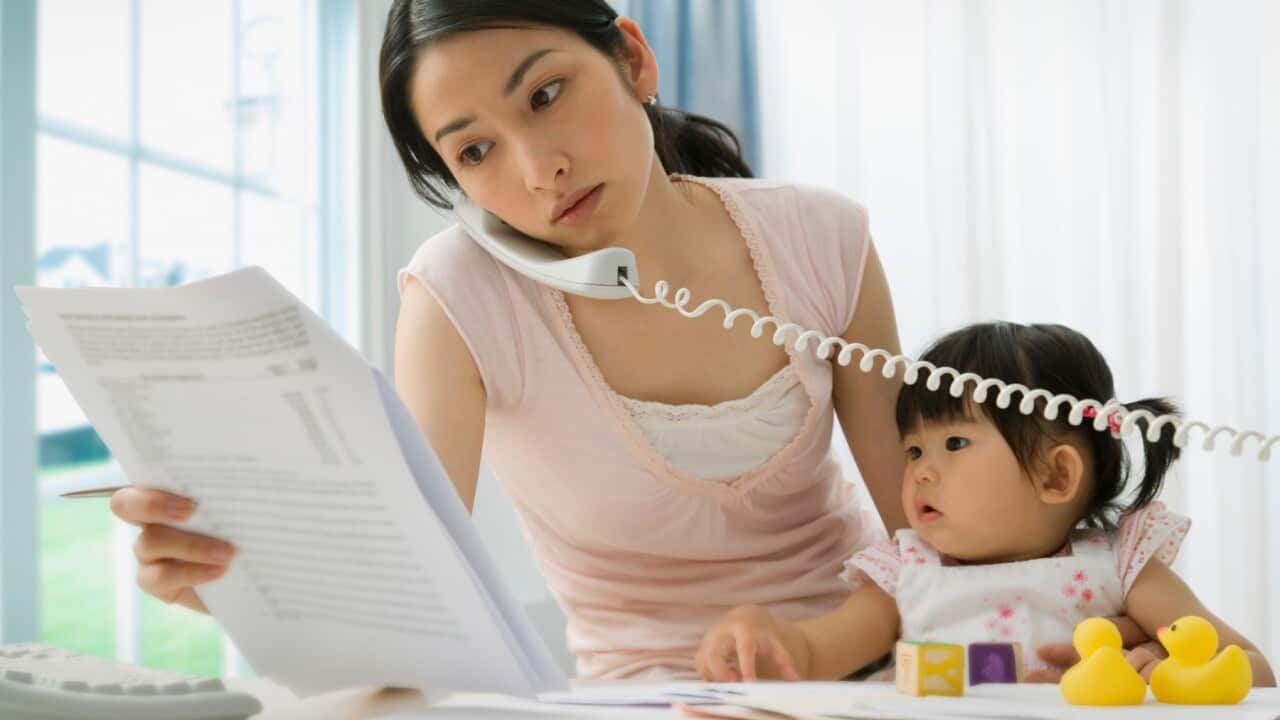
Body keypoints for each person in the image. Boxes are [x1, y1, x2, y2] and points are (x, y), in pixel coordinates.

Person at [105, 0, 1134, 683]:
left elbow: (932, 523)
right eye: (475, 151)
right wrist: (237, 582)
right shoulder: (460, 296)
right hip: (641, 696)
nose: (536, 167)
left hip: (853, 662)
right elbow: (411, 592)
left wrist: (1109, 608)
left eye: (546, 94)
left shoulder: (821, 237)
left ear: (632, 57)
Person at [695, 321, 1276, 687]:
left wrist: (1165, 666)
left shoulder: (1121, 565)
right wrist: (767, 636)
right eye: (914, 447)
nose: (920, 469)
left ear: (1056, 474)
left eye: (954, 443)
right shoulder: (906, 570)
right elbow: (817, 652)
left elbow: (1253, 669)